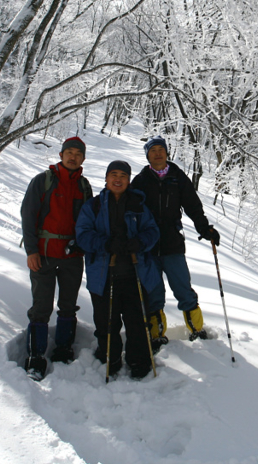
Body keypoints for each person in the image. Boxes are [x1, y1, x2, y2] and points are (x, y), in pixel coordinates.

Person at [130, 136, 220, 348]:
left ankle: (196, 330)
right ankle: (156, 334)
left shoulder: (177, 177)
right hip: (148, 246)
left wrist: (205, 229)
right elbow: (130, 211)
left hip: (172, 243)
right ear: (147, 155)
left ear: (167, 153)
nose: (158, 153)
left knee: (183, 288)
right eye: (153, 151)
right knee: (153, 292)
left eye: (161, 149)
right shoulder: (141, 180)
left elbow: (192, 206)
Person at [76, 160, 161, 380]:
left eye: (123, 176)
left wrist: (139, 242)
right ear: (106, 178)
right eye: (113, 174)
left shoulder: (138, 204)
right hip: (104, 274)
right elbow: (83, 234)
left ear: (128, 180)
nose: (118, 179)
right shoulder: (93, 206)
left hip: (135, 273)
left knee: (137, 322)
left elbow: (152, 231)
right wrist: (104, 244)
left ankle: (138, 360)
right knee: (106, 322)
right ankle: (109, 357)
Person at [19, 136, 92, 380]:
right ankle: (35, 357)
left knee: (68, 305)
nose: (73, 157)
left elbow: (88, 221)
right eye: (69, 152)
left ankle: (63, 349)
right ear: (61, 155)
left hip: (72, 255)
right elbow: (28, 215)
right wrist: (31, 250)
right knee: (41, 306)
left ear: (83, 158)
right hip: (44, 253)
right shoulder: (43, 181)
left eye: (78, 154)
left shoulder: (84, 186)